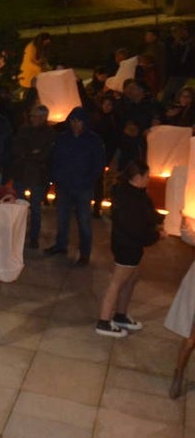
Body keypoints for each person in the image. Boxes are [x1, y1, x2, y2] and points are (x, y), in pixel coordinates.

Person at [97, 161, 159, 338]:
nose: (149, 179)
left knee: (131, 279)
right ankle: (103, 322)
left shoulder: (133, 193)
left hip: (130, 245)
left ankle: (121, 316)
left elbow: (146, 216)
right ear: (138, 178)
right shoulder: (130, 198)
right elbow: (135, 227)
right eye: (147, 176)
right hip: (128, 245)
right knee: (116, 282)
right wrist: (156, 236)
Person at [46, 107, 106, 266]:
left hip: (83, 187)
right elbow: (54, 159)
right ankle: (61, 245)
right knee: (62, 219)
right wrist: (55, 177)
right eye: (72, 121)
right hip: (64, 186)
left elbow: (98, 164)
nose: (75, 124)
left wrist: (88, 180)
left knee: (84, 221)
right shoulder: (63, 138)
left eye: (78, 121)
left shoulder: (93, 140)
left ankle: (85, 253)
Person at [9, 104, 55, 249]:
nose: (32, 118)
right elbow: (16, 148)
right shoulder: (24, 129)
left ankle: (34, 237)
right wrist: (32, 153)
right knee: (18, 207)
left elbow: (44, 155)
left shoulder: (50, 134)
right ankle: (18, 234)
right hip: (22, 174)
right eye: (31, 116)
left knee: (35, 208)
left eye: (35, 116)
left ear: (43, 118)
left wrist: (27, 154)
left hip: (37, 176)